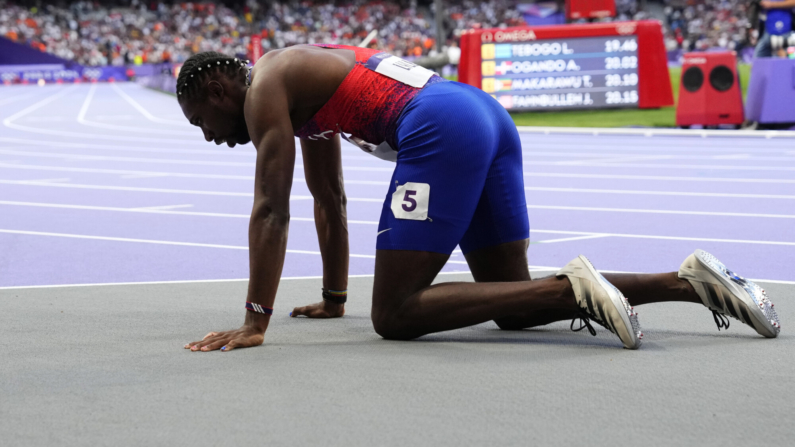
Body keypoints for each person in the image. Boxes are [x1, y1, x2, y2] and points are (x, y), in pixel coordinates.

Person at [178, 44, 780, 352]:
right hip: (482, 114)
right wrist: (335, 299)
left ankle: (574, 289)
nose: (208, 136)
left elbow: (271, 209)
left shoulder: (265, 92)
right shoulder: (293, 83)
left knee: (395, 314)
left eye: (199, 119)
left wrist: (254, 321)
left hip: (442, 127)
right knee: (512, 303)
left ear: (218, 87)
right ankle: (688, 282)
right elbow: (329, 199)